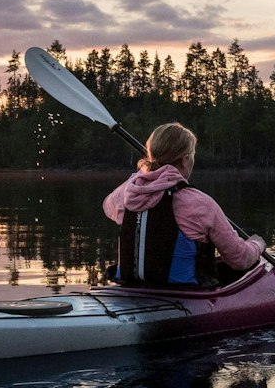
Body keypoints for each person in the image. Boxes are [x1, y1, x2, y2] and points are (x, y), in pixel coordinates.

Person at [103, 122, 266, 288]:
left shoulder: (128, 194)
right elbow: (240, 259)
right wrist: (257, 245)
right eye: (192, 155)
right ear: (186, 159)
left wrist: (146, 173)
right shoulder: (201, 204)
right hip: (186, 297)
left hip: (130, 289)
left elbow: (108, 207)